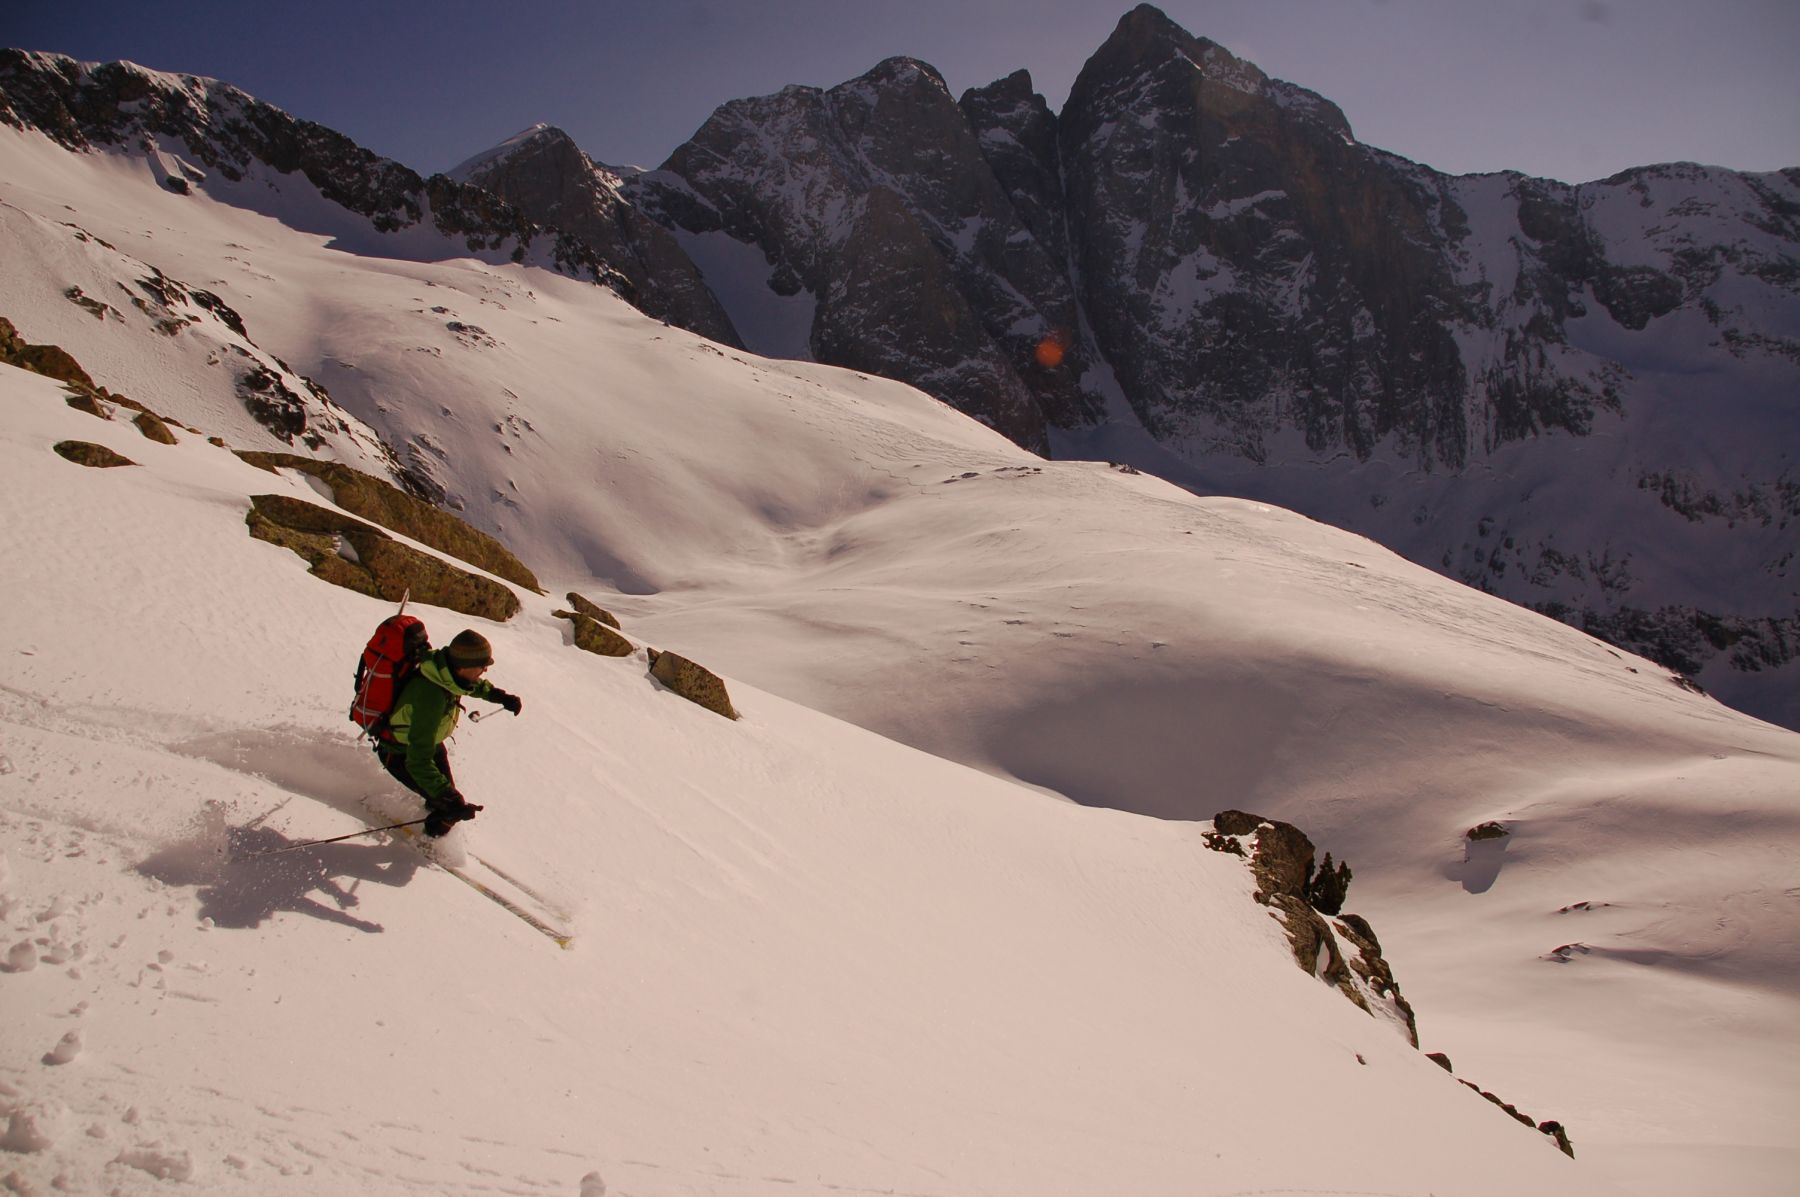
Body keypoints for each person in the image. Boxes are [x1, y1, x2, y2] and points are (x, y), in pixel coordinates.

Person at [375, 629, 523, 836]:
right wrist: (448, 799)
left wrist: (500, 696)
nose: (485, 670)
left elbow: (470, 685)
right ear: (463, 666)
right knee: (450, 806)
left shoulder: (445, 672)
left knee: (446, 799)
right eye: (482, 665)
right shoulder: (430, 698)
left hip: (431, 744)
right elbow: (417, 761)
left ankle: (434, 810)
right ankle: (429, 841)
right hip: (400, 753)